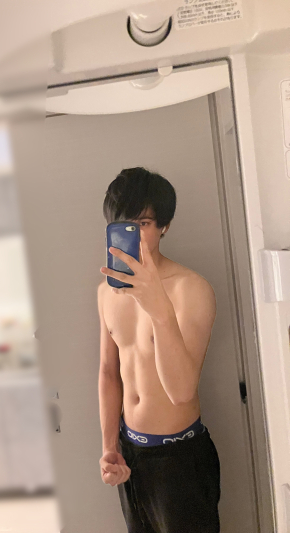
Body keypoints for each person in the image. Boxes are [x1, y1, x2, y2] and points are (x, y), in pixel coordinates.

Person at [97, 167, 221, 532]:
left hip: (179, 457)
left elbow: (181, 391)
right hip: (129, 453)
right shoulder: (106, 291)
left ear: (164, 226)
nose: (135, 234)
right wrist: (109, 447)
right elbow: (109, 372)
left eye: (145, 223)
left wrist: (159, 309)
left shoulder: (190, 289)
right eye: (126, 224)